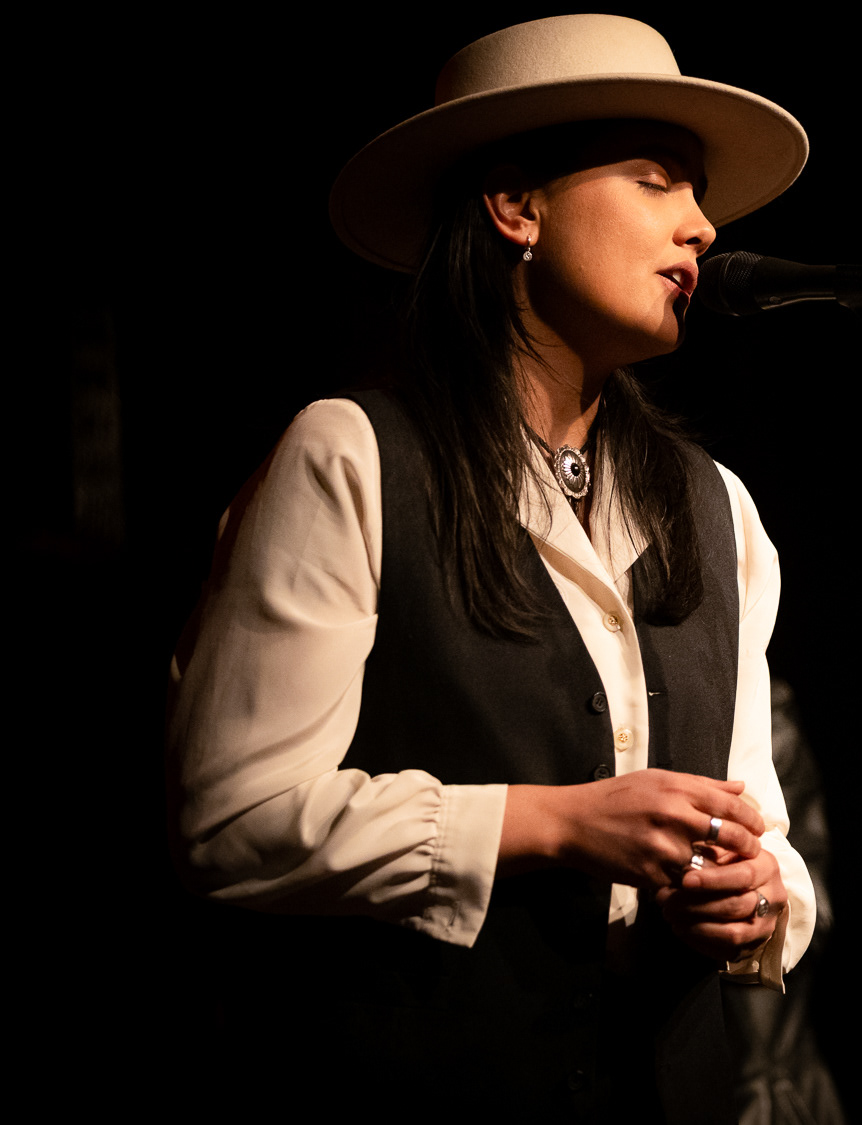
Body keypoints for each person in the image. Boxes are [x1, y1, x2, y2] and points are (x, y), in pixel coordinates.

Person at [166, 16, 814, 1121]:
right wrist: (555, 823)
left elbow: (761, 823)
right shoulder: (357, 455)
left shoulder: (717, 506)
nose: (701, 226)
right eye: (656, 180)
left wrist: (757, 899)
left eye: (697, 194)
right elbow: (233, 817)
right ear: (517, 206)